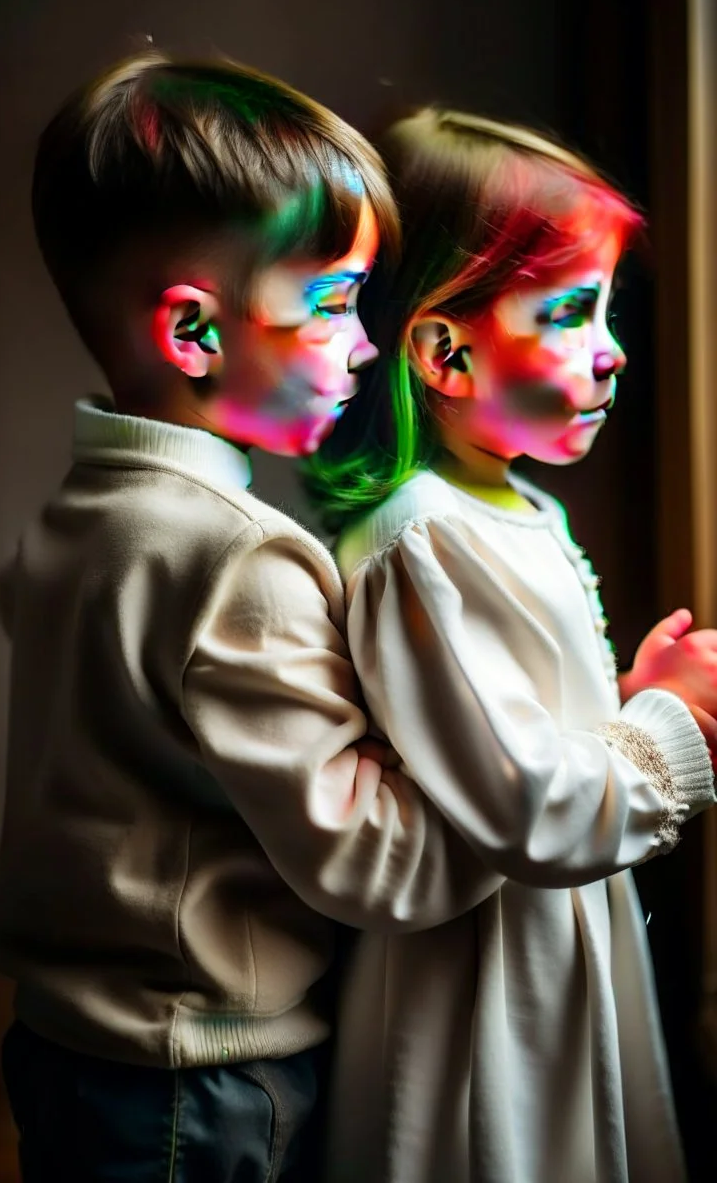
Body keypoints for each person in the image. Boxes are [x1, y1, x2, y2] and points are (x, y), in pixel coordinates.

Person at [0, 59, 510, 1183]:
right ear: (195, 332)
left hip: (67, 1047)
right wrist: (538, 785)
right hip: (199, 1081)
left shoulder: (72, 524)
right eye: (333, 303)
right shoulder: (241, 556)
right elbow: (374, 861)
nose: (366, 343)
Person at [306, 108, 717, 1183]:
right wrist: (668, 723)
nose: (614, 349)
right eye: (573, 312)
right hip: (482, 986)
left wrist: (623, 698)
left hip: (557, 946)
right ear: (445, 351)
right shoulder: (420, 540)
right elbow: (525, 805)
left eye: (606, 309)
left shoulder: (522, 507)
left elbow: (520, 728)